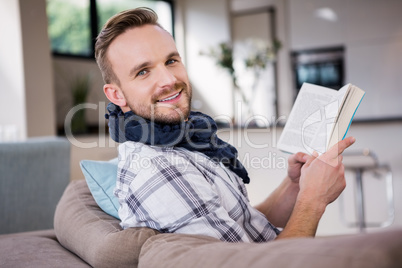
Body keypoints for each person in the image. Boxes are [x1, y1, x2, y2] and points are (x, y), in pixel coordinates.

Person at [95, 7, 355, 242]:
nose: (168, 79)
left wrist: (295, 185)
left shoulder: (184, 142)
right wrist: (314, 200)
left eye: (171, 61)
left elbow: (245, 227)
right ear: (116, 95)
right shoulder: (161, 168)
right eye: (143, 71)